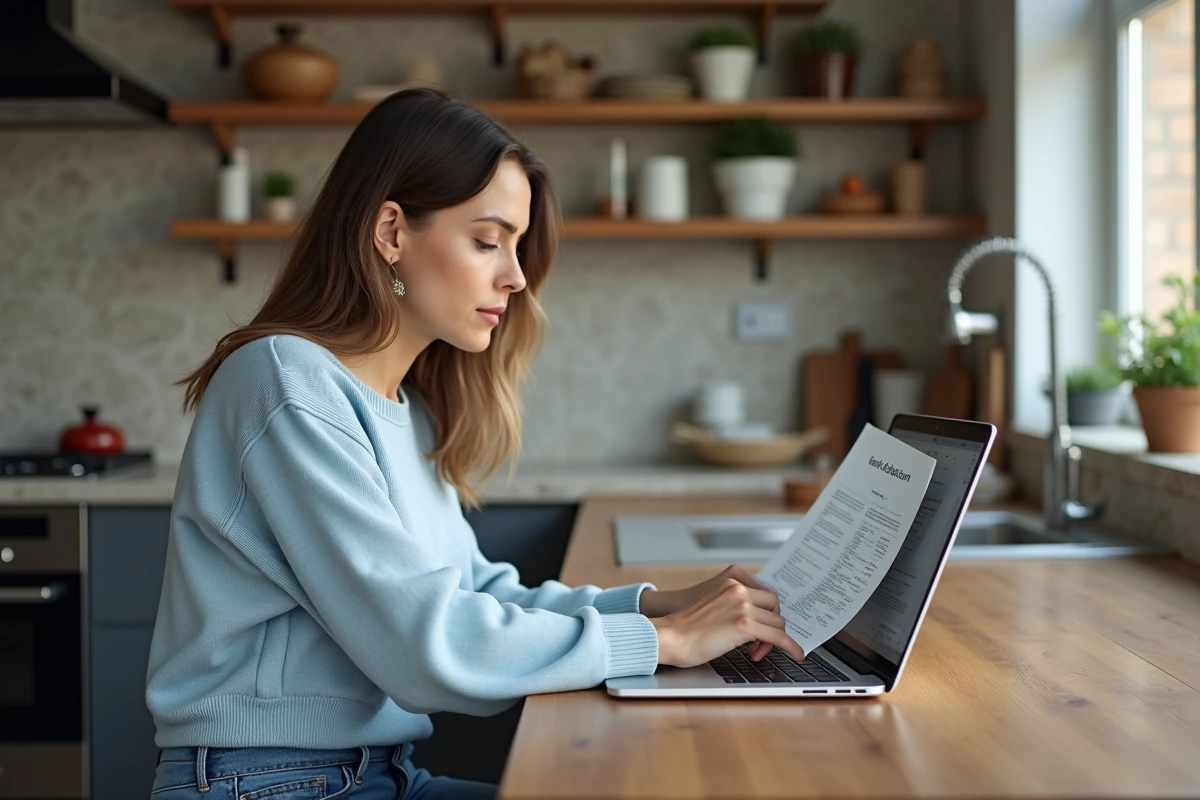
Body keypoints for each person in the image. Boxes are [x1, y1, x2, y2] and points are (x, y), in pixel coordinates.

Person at [146, 88, 804, 800]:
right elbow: (422, 644)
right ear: (391, 232)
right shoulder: (286, 381)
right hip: (266, 783)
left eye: (516, 247)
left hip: (373, 776)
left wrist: (657, 606)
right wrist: (664, 643)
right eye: (488, 241)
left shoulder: (405, 410)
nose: (516, 277)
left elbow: (476, 593)